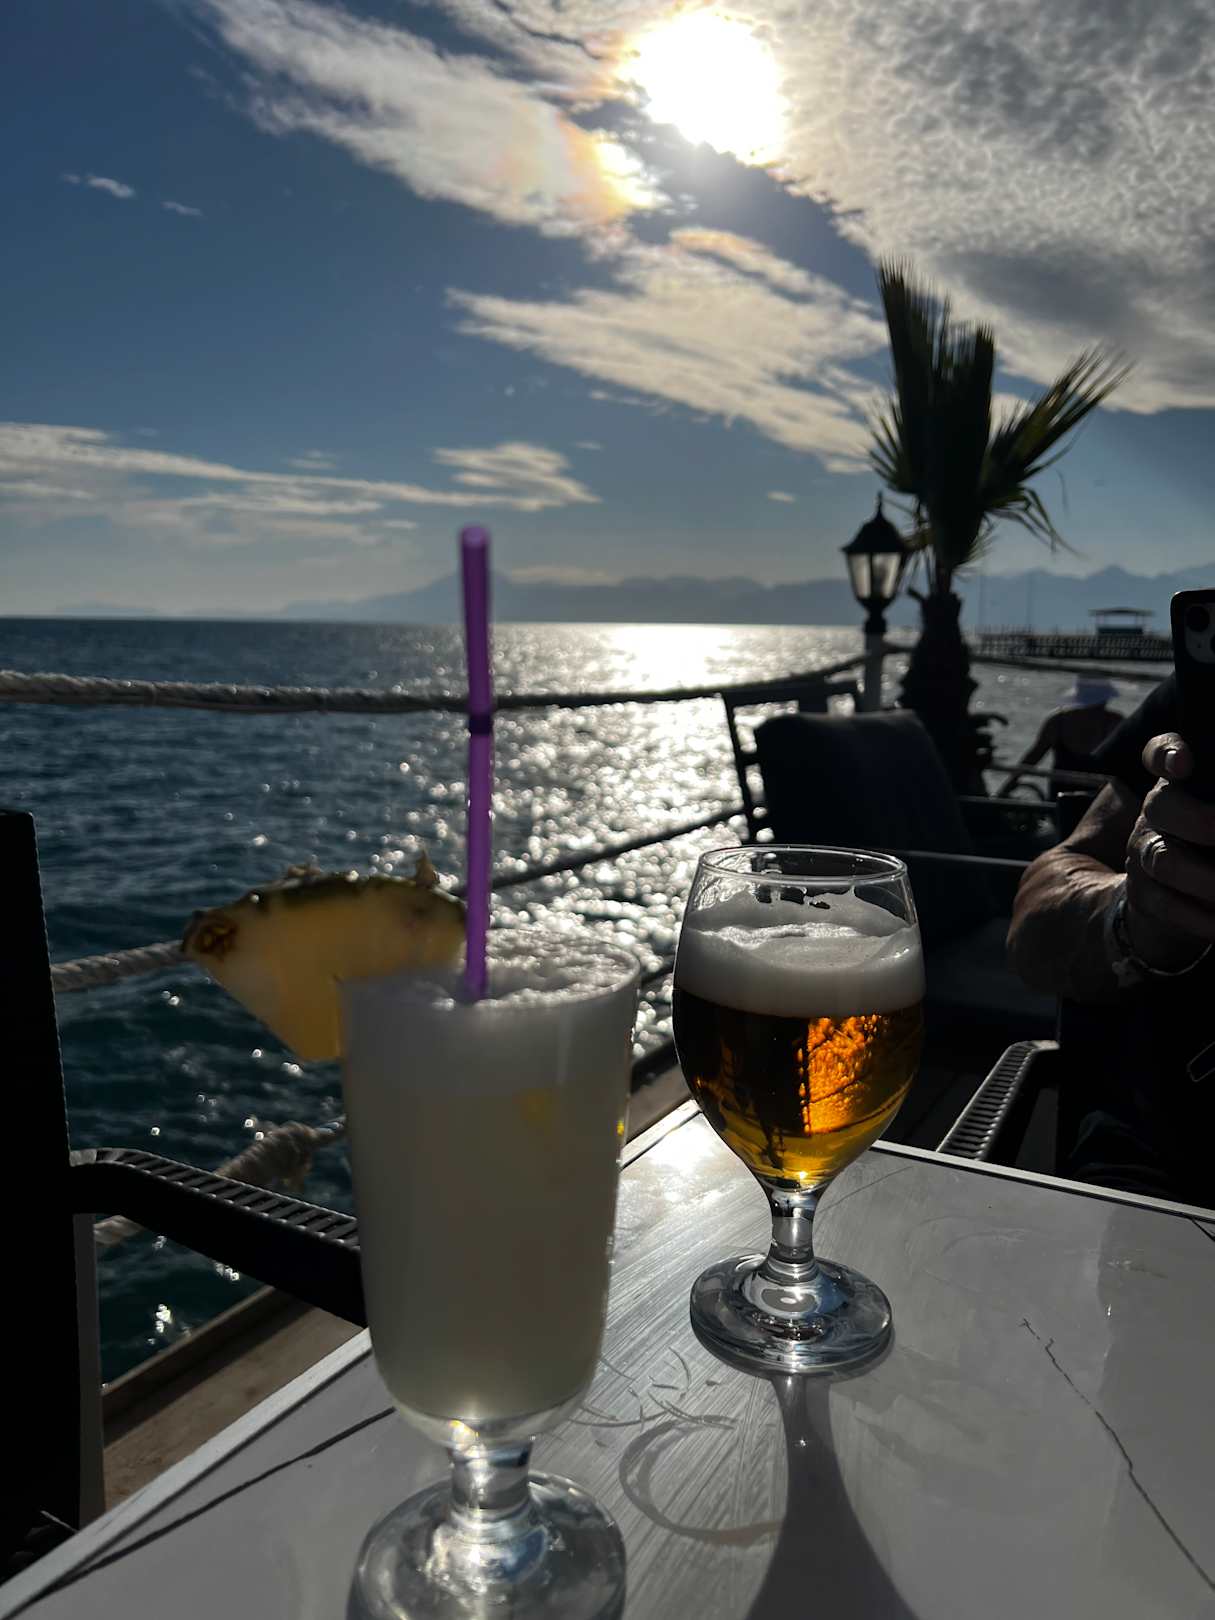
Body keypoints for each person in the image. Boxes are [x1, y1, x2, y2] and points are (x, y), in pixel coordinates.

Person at [1007, 673, 1215, 1202]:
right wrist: (1136, 914)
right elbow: (1034, 928)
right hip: (1155, 1160)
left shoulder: (1060, 722)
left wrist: (1006, 792)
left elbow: (1030, 759)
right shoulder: (1196, 703)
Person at [1000, 678, 1122, 797]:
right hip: (1094, 795)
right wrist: (1008, 786)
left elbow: (1034, 756)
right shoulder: (1115, 723)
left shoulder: (1058, 721)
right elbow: (1034, 756)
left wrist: (1007, 787)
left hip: (1066, 793)